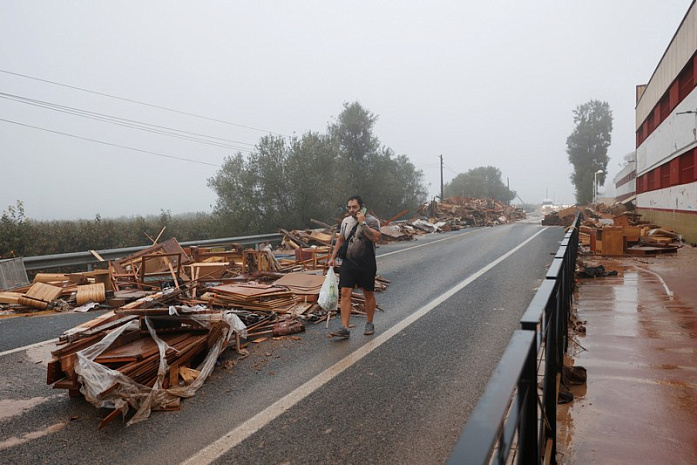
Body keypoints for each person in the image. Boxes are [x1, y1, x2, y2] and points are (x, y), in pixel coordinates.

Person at [328, 195, 381, 338]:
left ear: (362, 207)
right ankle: (345, 327)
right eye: (349, 207)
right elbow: (341, 239)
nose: (351, 210)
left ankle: (369, 323)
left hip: (366, 263)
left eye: (354, 207)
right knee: (345, 292)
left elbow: (375, 237)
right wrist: (332, 258)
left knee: (368, 293)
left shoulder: (372, 221)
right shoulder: (346, 221)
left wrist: (363, 223)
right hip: (349, 263)